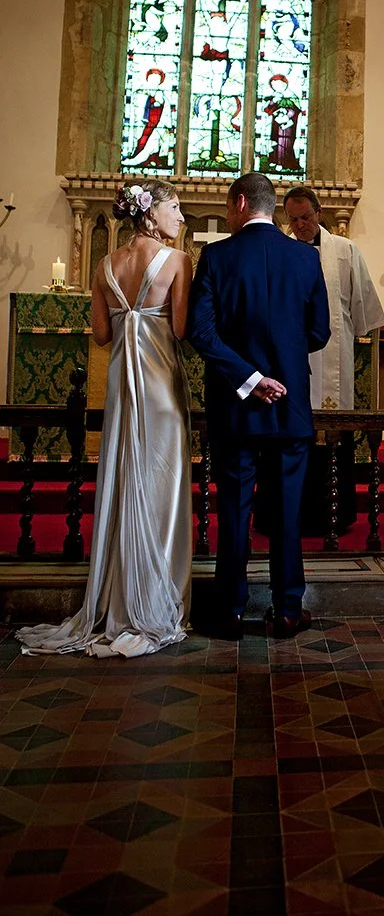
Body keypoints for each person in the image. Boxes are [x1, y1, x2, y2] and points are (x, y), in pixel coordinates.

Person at [17, 180, 193, 657]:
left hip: (122, 386)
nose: (182, 216)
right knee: (161, 483)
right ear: (152, 214)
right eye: (175, 208)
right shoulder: (177, 262)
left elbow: (99, 333)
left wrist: (128, 318)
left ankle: (117, 598)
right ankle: (154, 597)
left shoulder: (104, 265)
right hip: (158, 387)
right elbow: (180, 328)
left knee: (122, 477)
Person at [187, 172, 330, 640]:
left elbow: (201, 333)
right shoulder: (306, 258)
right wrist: (280, 364)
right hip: (289, 402)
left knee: (234, 507)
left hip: (236, 404)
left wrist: (249, 377)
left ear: (241, 202)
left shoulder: (215, 257)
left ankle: (230, 610)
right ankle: (288, 610)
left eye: (229, 209)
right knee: (288, 509)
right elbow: (318, 332)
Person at [274, 184, 384, 535]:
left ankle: (335, 515)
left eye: (305, 217)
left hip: (334, 352)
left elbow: (363, 307)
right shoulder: (281, 250)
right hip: (292, 357)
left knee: (333, 431)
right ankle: (290, 515)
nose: (300, 225)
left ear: (319, 213)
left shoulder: (345, 250)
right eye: (293, 220)